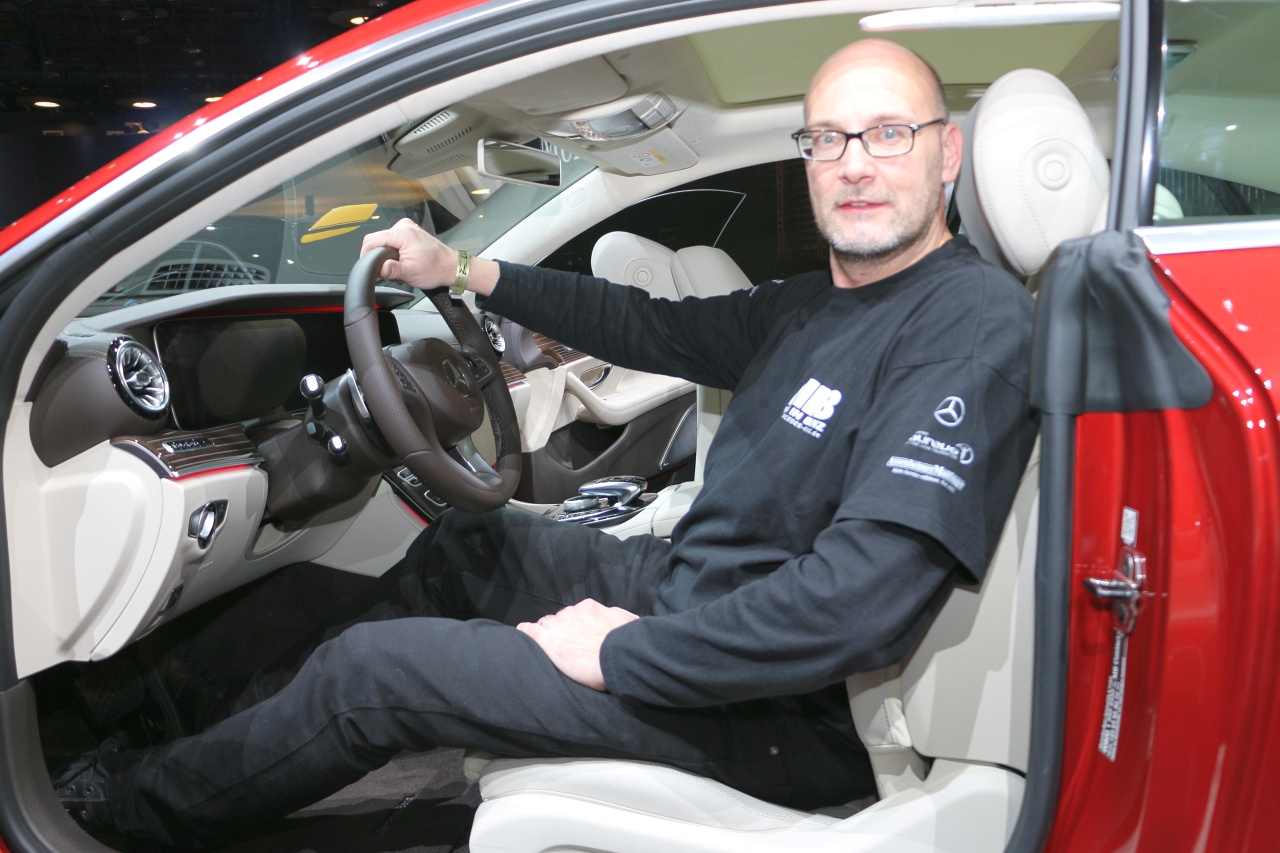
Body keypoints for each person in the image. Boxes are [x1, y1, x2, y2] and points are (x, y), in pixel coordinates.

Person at [55, 38, 1037, 848]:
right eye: (828, 138)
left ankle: (120, 810)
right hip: (694, 593)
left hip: (775, 709)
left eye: (888, 133)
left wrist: (624, 650)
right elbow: (643, 324)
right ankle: (227, 736)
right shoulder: (815, 303)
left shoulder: (968, 323)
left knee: (375, 677)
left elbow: (854, 605)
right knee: (469, 542)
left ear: (946, 154)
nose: (855, 162)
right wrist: (466, 271)